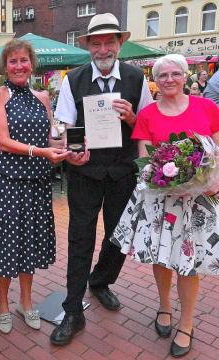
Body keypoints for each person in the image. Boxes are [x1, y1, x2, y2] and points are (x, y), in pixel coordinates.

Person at [50, 13, 154, 346]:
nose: (103, 48)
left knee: (118, 237)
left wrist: (133, 117)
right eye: (97, 42)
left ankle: (101, 281)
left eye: (110, 41)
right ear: (89, 46)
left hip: (123, 171)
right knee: (80, 238)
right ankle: (72, 311)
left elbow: (147, 130)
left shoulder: (137, 79)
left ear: (120, 44)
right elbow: (65, 127)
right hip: (85, 171)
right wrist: (72, 152)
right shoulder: (73, 80)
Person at [110, 54, 219, 358]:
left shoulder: (207, 107)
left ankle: (186, 323)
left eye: (175, 74)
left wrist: (214, 179)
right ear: (155, 81)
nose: (169, 79)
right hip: (160, 201)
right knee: (160, 258)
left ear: (186, 76)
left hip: (198, 201)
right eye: (162, 75)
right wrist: (167, 181)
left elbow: (218, 148)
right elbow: (145, 163)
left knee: (189, 262)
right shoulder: (147, 114)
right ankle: (164, 306)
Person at [0, 39, 88, 334]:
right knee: (8, 243)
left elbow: (51, 139)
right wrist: (41, 152)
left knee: (29, 242)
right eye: (13, 61)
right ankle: (3, 303)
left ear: (32, 64)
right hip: (7, 182)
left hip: (37, 181)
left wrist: (71, 147)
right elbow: (2, 142)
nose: (19, 66)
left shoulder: (42, 97)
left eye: (24, 60)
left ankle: (26, 302)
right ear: (5, 66)